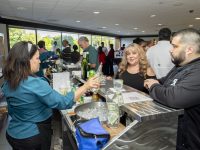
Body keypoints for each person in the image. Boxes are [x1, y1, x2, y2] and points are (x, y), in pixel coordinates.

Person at [2, 41, 99, 150]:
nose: (39, 61)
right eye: (37, 58)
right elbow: (64, 102)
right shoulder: (35, 84)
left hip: (13, 133)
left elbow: (11, 110)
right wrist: (85, 86)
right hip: (33, 136)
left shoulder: (9, 81)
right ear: (26, 61)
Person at [144, 28, 200, 150]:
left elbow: (174, 97)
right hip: (175, 136)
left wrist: (153, 86)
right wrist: (155, 81)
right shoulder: (181, 66)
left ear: (189, 49)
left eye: (174, 46)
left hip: (191, 142)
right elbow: (165, 81)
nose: (170, 50)